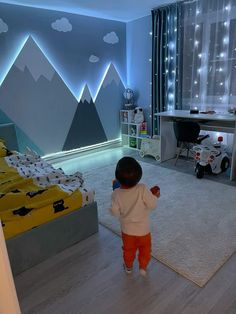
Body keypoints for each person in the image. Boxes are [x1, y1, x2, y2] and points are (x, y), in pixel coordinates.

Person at [109, 156, 160, 276]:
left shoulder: (116, 194)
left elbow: (115, 212)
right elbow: (152, 205)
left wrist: (113, 207)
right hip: (144, 231)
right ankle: (143, 267)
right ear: (139, 176)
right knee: (145, 249)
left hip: (128, 232)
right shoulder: (142, 189)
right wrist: (155, 196)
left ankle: (128, 267)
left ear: (117, 178)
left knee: (128, 250)